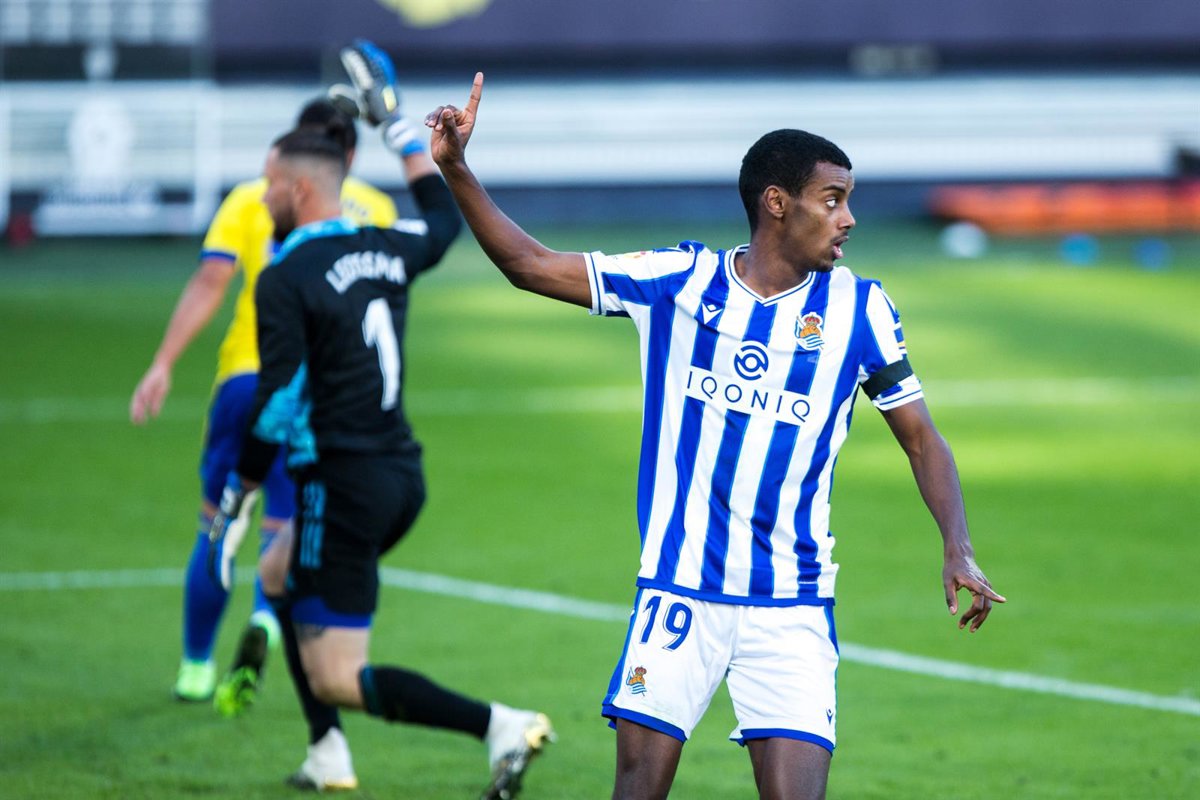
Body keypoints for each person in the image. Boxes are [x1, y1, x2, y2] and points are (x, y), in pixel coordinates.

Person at [425, 74, 1006, 800]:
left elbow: (921, 437)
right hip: (680, 592)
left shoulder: (861, 310)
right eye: (833, 200)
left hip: (792, 604)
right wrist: (456, 168)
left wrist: (958, 544)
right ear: (777, 203)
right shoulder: (680, 280)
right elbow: (530, 266)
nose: (849, 218)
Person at [207, 41, 554, 800]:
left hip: (342, 483)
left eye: (270, 186)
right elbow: (444, 219)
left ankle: (499, 726)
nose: (262, 198)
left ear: (300, 189)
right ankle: (325, 753)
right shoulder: (387, 246)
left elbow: (279, 400)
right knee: (276, 572)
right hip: (400, 473)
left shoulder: (286, 277)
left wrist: (239, 492)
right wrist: (396, 125)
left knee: (338, 675)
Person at [129, 97, 400, 709]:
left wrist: (163, 362)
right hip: (320, 393)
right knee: (284, 531)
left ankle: (196, 666)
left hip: (246, 380)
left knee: (219, 522)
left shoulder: (252, 197)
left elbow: (211, 280)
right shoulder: (374, 209)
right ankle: (266, 623)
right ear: (348, 153)